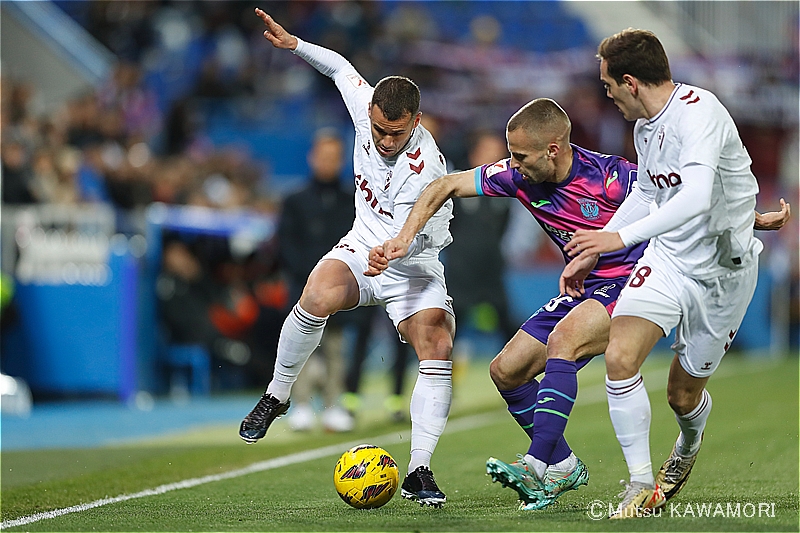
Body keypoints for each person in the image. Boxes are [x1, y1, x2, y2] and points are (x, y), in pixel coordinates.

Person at [366, 98, 790, 512]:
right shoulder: (519, 177)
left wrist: (750, 217)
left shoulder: (611, 176)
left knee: (564, 341)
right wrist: (403, 239)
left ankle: (535, 463)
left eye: (520, 156)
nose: (512, 165)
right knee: (506, 370)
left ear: (552, 150)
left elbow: (681, 197)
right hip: (584, 287)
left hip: (632, 281)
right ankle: (564, 465)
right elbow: (445, 184)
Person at [560, 28, 792, 519]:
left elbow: (694, 196)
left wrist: (616, 240)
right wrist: (596, 251)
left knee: (682, 395)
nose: (607, 95)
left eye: (608, 85)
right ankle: (640, 484)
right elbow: (648, 192)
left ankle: (688, 444)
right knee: (620, 357)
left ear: (630, 81)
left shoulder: (699, 112)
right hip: (667, 261)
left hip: (723, 275)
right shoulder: (645, 126)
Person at [240, 8, 455, 507]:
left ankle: (420, 470)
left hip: (413, 263)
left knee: (437, 344)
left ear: (416, 123)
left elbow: (438, 238)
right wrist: (296, 46)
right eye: (379, 128)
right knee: (316, 293)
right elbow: (339, 67)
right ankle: (277, 395)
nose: (383, 140)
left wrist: (402, 245)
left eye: (395, 133)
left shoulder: (430, 168)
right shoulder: (366, 108)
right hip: (363, 245)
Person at [277, 129, 358, 433]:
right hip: (303, 287)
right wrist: (307, 280)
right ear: (312, 158)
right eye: (324, 156)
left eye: (334, 157)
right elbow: (285, 244)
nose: (328, 162)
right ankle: (300, 405)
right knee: (301, 347)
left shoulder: (351, 199)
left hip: (341, 289)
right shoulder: (295, 200)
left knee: (336, 350)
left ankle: (333, 405)